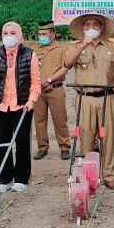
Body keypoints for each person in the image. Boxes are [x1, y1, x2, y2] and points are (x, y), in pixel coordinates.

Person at [64, 13, 114, 190]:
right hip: (84, 98)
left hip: (107, 97)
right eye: (87, 24)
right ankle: (87, 174)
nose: (91, 27)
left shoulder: (112, 46)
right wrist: (82, 45)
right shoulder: (74, 46)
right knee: (86, 136)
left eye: (95, 24)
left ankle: (108, 175)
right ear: (82, 28)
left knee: (107, 137)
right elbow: (68, 63)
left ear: (101, 27)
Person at [0, 22, 41, 193]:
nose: (9, 36)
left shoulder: (29, 55)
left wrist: (32, 99)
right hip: (0, 105)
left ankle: (22, 178)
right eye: (6, 33)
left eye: (13, 32)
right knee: (3, 142)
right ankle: (5, 178)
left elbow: (36, 81)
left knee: (22, 141)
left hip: (22, 105)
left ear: (20, 35)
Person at [32, 20, 71, 161]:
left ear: (52, 34)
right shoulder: (35, 49)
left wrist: (48, 81)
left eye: (44, 34)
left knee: (60, 119)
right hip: (39, 90)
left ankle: (65, 147)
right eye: (40, 34)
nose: (41, 36)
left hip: (55, 89)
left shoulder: (61, 49)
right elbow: (32, 69)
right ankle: (42, 147)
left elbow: (64, 68)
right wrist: (41, 83)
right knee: (39, 120)